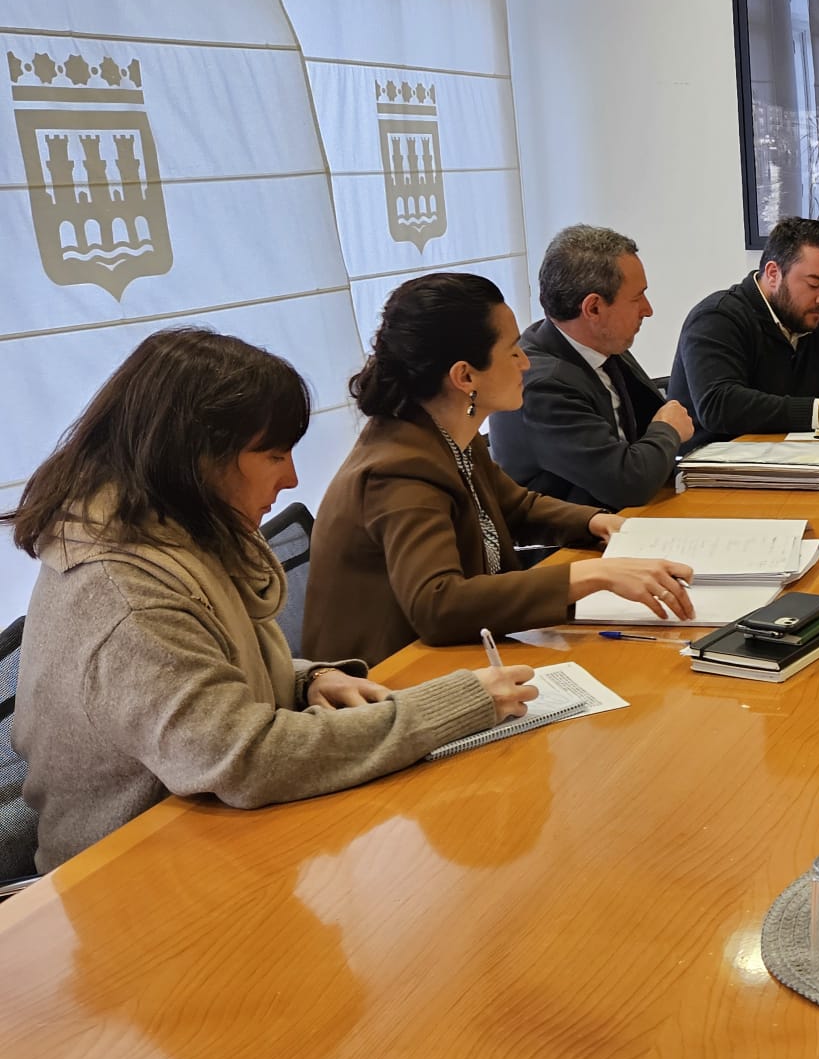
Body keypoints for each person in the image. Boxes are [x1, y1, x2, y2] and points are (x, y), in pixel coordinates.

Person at [8, 329, 540, 873]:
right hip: (131, 876)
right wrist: (456, 705)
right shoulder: (125, 594)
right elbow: (246, 758)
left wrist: (303, 679)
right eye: (274, 455)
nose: (291, 477)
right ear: (197, 457)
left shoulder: (169, 527)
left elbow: (200, 674)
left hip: (206, 836)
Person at [305, 273, 694, 667]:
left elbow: (515, 506)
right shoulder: (397, 471)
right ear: (465, 377)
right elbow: (438, 604)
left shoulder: (447, 432)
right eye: (512, 351)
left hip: (464, 656)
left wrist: (600, 523)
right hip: (388, 680)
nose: (526, 362)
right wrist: (591, 576)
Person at [488, 224, 693, 509]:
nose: (648, 309)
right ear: (593, 309)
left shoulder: (602, 345)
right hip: (569, 544)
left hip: (630, 516)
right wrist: (667, 429)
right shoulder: (541, 386)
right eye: (637, 298)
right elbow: (626, 484)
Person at [667, 217, 819, 446]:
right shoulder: (716, 317)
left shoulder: (816, 318)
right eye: (814, 285)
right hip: (710, 475)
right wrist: (818, 413)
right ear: (773, 274)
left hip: (790, 463)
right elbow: (718, 405)